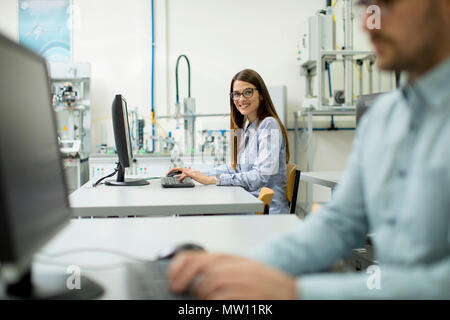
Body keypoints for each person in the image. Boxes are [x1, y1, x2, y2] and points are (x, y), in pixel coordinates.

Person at [168, 0, 450, 299]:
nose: (368, 23)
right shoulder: (382, 118)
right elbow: (340, 223)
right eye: (366, 6)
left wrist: (296, 291)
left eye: (387, 4)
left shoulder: (269, 126)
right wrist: (242, 267)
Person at [168, 69, 291, 214]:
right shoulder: (247, 126)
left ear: (262, 95)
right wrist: (195, 173)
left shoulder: (269, 125)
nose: (241, 99)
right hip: (249, 203)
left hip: (266, 210)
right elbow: (235, 168)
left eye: (248, 92)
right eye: (236, 94)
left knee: (193, 211)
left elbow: (260, 177)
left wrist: (213, 180)